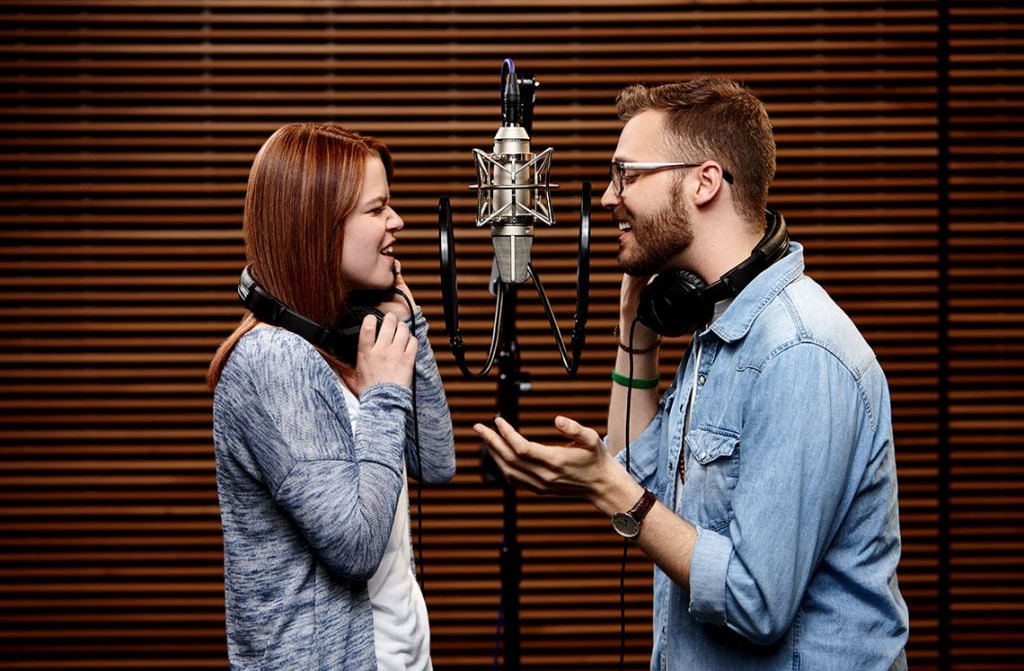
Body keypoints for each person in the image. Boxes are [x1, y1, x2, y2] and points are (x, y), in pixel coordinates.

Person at [474, 78, 909, 669]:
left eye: (626, 175)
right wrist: (635, 341)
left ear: (704, 181)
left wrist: (608, 487)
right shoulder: (712, 327)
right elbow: (643, 489)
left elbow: (754, 602)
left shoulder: (799, 352)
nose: (606, 197)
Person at [207, 122, 456, 670]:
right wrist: (386, 394)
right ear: (318, 228)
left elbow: (436, 462)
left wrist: (405, 326)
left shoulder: (340, 339)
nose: (397, 222)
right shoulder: (274, 360)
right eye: (377, 209)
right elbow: (355, 547)